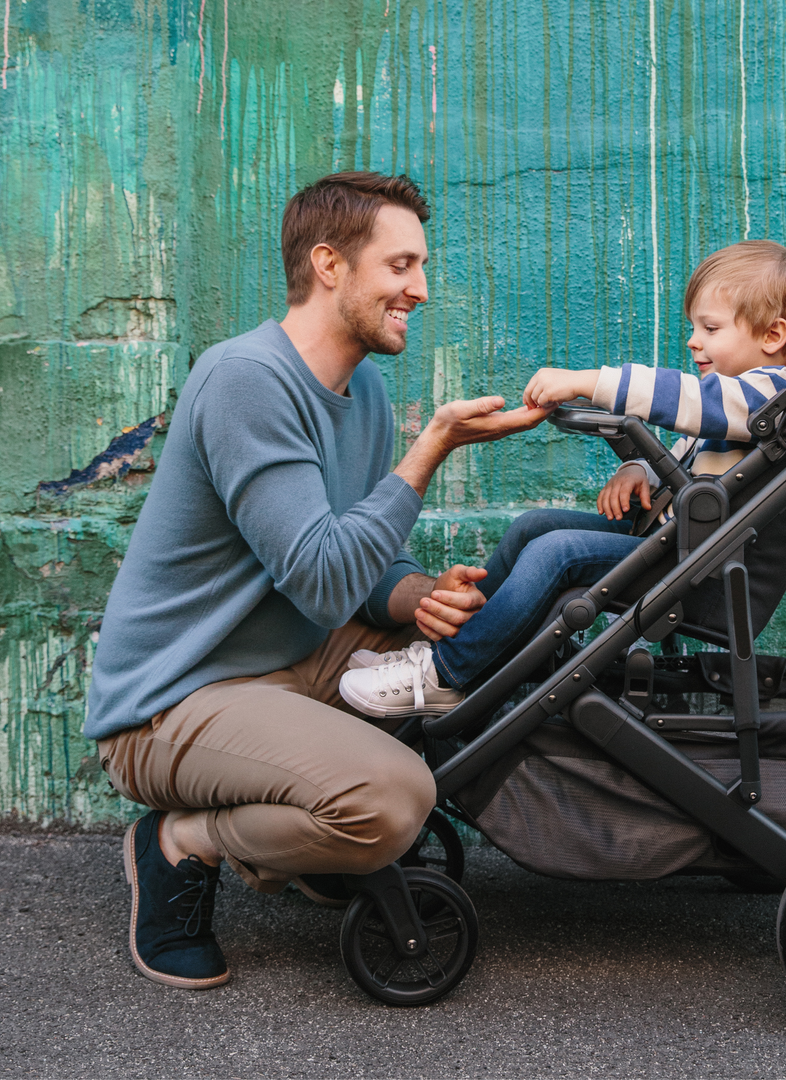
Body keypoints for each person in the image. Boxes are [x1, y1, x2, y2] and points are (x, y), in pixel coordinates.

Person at [85, 171, 549, 989]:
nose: (422, 289)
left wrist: (417, 598)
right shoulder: (245, 381)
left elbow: (359, 566)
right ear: (330, 264)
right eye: (402, 266)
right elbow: (325, 581)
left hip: (293, 664)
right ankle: (179, 846)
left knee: (477, 658)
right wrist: (430, 447)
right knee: (393, 802)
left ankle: (306, 837)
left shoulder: (360, 386)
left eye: (422, 267)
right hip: (172, 702)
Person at [339, 240, 786, 718]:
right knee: (534, 526)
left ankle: (445, 674)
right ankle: (461, 646)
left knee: (558, 552)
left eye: (710, 328)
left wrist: (591, 382)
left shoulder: (775, 396)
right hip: (667, 542)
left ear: (773, 335)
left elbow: (691, 401)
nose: (693, 340)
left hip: (697, 567)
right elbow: (686, 453)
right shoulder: (739, 402)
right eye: (694, 327)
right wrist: (638, 469)